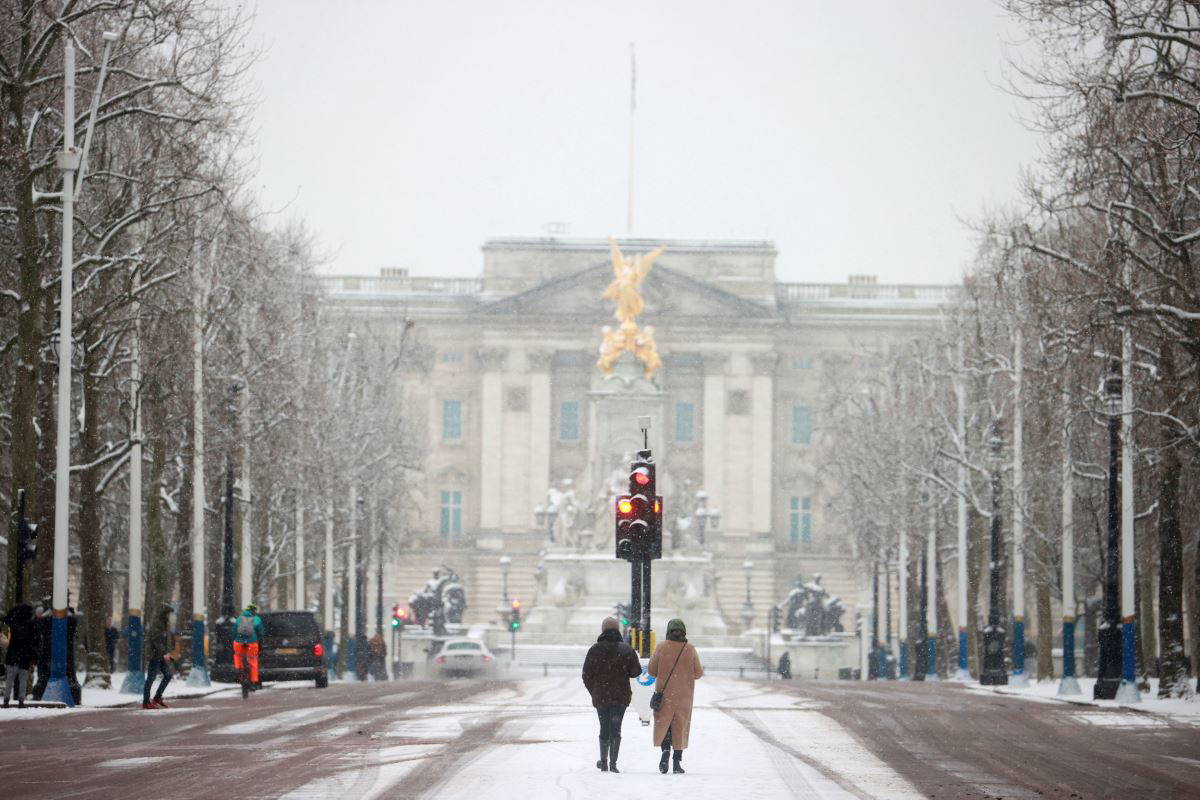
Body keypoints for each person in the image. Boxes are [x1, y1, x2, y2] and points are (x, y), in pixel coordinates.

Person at [581, 616, 641, 773]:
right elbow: (636, 672)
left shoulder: (594, 649)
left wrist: (594, 691)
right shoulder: (626, 649)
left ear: (603, 630)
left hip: (601, 696)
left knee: (604, 727)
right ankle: (614, 763)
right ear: (617, 630)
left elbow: (586, 675)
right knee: (616, 728)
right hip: (620, 697)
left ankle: (604, 761)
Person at [647, 618, 704, 774]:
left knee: (665, 724)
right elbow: (698, 673)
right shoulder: (690, 649)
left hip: (665, 695)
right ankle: (677, 763)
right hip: (684, 697)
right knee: (680, 727)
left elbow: (652, 671)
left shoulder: (661, 647)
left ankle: (665, 752)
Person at [143, 603, 180, 710]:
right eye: (169, 613)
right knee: (151, 678)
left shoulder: (164, 624)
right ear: (164, 614)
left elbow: (165, 640)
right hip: (155, 655)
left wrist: (169, 652)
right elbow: (155, 640)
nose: (170, 616)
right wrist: (164, 653)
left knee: (168, 675)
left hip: (161, 655)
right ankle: (146, 702)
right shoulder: (157, 624)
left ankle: (157, 697)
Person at [2, 603, 39, 708]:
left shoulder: (13, 623)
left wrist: (13, 610)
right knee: (23, 680)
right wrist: (34, 657)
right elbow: (35, 641)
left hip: (12, 656)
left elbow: (6, 618)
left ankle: (6, 701)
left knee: (9, 680)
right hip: (25, 657)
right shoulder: (31, 624)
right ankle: (21, 701)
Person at [232, 603, 264, 689]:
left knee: (237, 656)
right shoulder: (257, 619)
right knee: (253, 661)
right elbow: (260, 633)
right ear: (254, 611)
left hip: (239, 643)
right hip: (252, 643)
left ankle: (238, 670)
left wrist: (234, 640)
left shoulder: (239, 618)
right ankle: (253, 682)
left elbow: (234, 631)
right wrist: (260, 643)